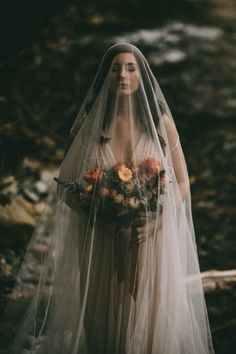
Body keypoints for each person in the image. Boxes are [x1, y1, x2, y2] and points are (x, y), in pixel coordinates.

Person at [0, 43, 215, 354]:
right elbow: (65, 186)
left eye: (130, 68)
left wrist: (153, 225)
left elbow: (182, 183)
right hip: (99, 238)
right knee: (101, 312)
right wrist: (96, 210)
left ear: (142, 76)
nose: (123, 75)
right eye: (115, 68)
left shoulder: (160, 125)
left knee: (147, 311)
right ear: (105, 76)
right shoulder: (90, 125)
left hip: (149, 240)